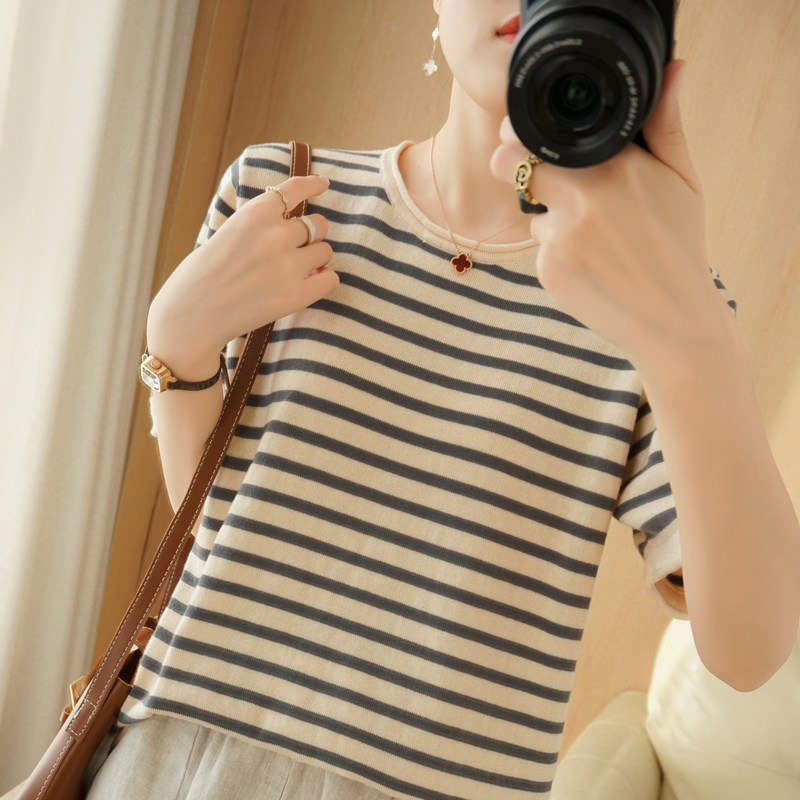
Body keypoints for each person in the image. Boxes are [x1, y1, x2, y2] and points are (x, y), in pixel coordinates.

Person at [84, 2, 800, 799]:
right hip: (181, 756)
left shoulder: (655, 296)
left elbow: (751, 651)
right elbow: (217, 535)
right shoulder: (282, 195)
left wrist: (694, 336)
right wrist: (175, 343)